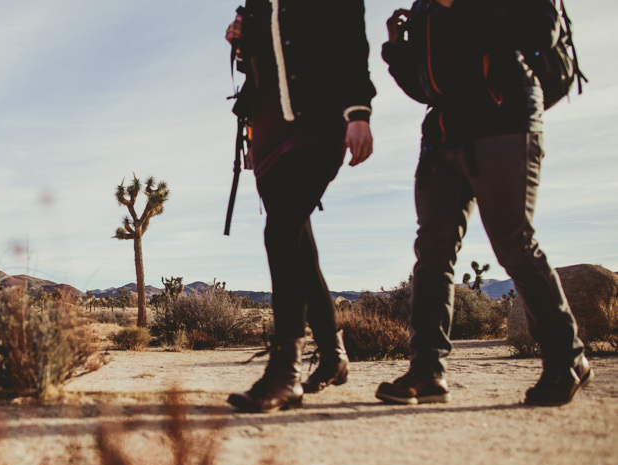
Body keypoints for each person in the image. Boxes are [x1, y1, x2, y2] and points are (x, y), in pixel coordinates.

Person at [377, 0, 592, 406]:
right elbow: (424, 87)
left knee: (513, 241)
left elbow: (539, 29)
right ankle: (427, 370)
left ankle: (568, 359)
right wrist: (397, 50)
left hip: (504, 119)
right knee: (432, 251)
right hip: (443, 134)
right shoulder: (424, 7)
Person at [224, 0, 376, 413]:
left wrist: (359, 112)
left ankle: (285, 373)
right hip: (268, 133)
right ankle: (332, 355)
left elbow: (352, 47)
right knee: (298, 243)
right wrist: (240, 43)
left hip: (318, 123)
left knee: (281, 230)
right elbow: (256, 66)